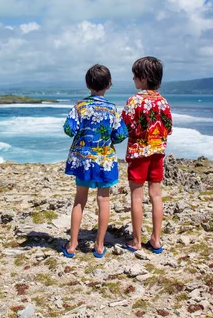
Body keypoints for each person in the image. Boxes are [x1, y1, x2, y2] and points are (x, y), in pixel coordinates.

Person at [61, 64, 128, 259]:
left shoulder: (79, 106)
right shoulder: (112, 109)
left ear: (87, 84)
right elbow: (121, 134)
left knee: (79, 200)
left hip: (83, 161)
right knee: (104, 200)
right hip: (105, 161)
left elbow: (68, 129)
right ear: (109, 85)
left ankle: (72, 244)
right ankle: (99, 246)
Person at [121, 57, 172, 254]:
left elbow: (124, 126)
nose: (133, 79)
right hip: (157, 153)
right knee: (156, 195)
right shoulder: (163, 102)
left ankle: (136, 241)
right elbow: (168, 127)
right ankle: (156, 239)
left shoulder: (134, 101)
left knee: (136, 196)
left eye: (134, 75)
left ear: (142, 78)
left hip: (138, 153)